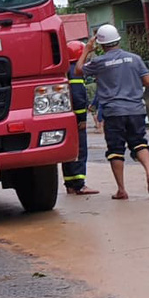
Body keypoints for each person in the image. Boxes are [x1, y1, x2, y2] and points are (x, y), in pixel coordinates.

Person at [76, 24, 149, 200]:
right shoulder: (135, 59)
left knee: (115, 150)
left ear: (101, 44)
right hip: (136, 109)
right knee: (139, 142)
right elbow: (148, 81)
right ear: (118, 40)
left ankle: (121, 190)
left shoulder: (99, 62)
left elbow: (78, 70)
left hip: (113, 112)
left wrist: (87, 50)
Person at [62, 41, 99, 195]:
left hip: (66, 117)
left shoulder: (65, 71)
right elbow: (77, 96)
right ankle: (79, 184)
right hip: (75, 119)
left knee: (69, 151)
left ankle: (70, 183)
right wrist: (81, 118)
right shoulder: (76, 72)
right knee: (80, 150)